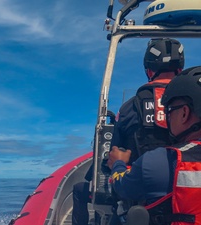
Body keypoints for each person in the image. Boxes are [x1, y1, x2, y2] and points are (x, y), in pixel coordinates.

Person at [72, 38, 185, 225]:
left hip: (138, 201)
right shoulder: (192, 107)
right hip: (185, 200)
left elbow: (114, 156)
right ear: (180, 70)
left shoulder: (128, 109)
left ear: (149, 71)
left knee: (86, 190)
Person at [107, 66, 201, 224]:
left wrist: (118, 164)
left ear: (185, 113)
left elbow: (123, 187)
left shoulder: (157, 162)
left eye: (170, 110)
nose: (168, 118)